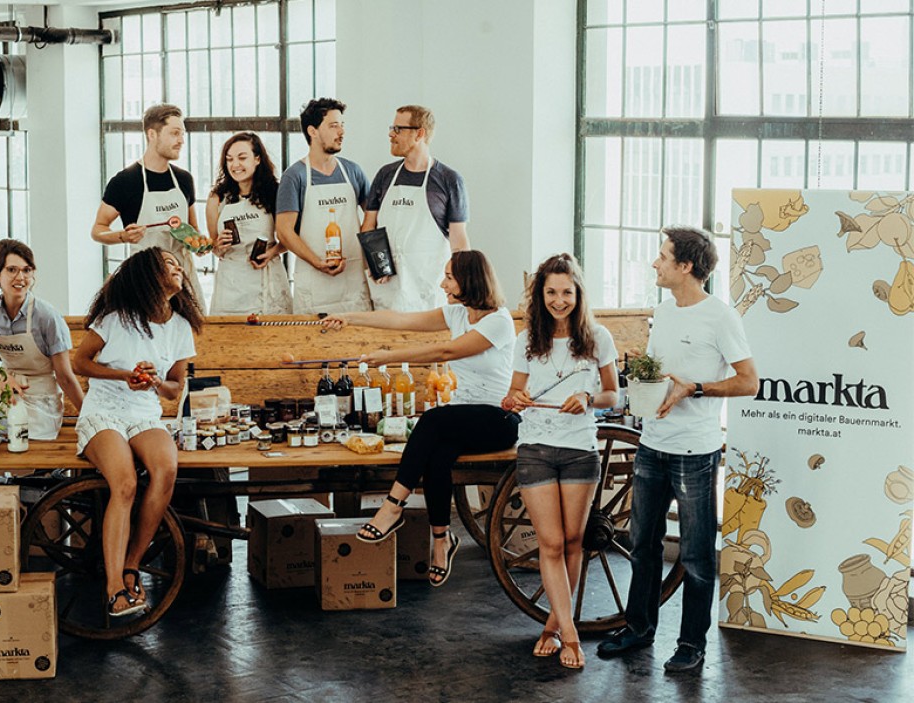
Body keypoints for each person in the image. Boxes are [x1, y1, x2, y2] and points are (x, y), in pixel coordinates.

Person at [597, 226, 758, 674]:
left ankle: (691, 644)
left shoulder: (721, 317)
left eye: (662, 256)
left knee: (696, 555)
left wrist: (697, 389)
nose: (655, 262)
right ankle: (639, 628)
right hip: (652, 446)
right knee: (641, 544)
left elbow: (749, 381)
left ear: (686, 266)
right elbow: (658, 373)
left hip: (696, 454)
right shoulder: (664, 312)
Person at [322, 250, 517, 586]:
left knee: (431, 421)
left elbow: (447, 352)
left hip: (498, 419)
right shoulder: (457, 313)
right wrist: (349, 318)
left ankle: (392, 506)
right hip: (463, 416)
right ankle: (442, 540)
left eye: (449, 277)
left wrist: (390, 356)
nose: (443, 283)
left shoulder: (498, 321)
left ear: (469, 280)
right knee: (436, 457)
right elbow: (400, 320)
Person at [501, 254, 619, 670]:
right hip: (535, 447)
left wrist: (588, 398)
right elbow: (512, 396)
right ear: (540, 295)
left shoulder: (598, 337)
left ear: (578, 294)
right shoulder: (526, 340)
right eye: (551, 292)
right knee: (550, 543)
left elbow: (612, 395)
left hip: (580, 450)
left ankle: (552, 625)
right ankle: (571, 636)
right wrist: (514, 400)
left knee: (573, 542)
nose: (559, 300)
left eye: (567, 292)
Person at [71, 247, 202, 617]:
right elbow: (80, 362)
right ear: (147, 274)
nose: (177, 267)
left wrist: (156, 383)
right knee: (125, 483)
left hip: (145, 414)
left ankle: (131, 564)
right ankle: (114, 588)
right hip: (105, 412)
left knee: (167, 469)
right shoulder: (116, 319)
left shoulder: (179, 327)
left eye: (178, 263)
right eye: (168, 263)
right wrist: (123, 376)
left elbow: (176, 388)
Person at [0, 239, 85, 440]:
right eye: (12, 270)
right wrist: (0, 376)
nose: (20, 277)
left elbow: (64, 376)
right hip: (5, 396)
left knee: (22, 450)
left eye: (27, 270)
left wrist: (89, 417)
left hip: (42, 403)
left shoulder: (47, 316)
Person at [91, 103, 206, 308]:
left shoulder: (184, 179)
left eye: (183, 134)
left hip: (182, 279)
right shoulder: (125, 181)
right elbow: (98, 230)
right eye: (174, 133)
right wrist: (123, 236)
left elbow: (194, 231)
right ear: (152, 134)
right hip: (146, 281)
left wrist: (200, 245)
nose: (181, 140)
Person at [361, 105, 470, 312]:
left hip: (427, 290)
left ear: (419, 133)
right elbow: (369, 224)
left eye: (398, 129)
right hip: (388, 289)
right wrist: (376, 263)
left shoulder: (449, 180)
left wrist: (463, 284)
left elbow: (459, 239)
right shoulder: (385, 175)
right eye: (392, 128)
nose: (390, 134)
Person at [276, 97, 372, 313]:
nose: (342, 132)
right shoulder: (295, 176)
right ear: (313, 131)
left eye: (342, 125)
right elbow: (283, 231)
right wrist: (317, 262)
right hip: (314, 286)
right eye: (333, 125)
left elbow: (373, 218)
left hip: (353, 283)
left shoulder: (353, 171)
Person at [206, 132, 292, 315]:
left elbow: (290, 238)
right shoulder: (217, 197)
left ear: (257, 159)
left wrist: (272, 252)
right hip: (231, 285)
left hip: (268, 280)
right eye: (229, 159)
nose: (235, 165)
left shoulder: (275, 193)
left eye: (242, 158)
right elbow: (213, 246)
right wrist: (218, 245)